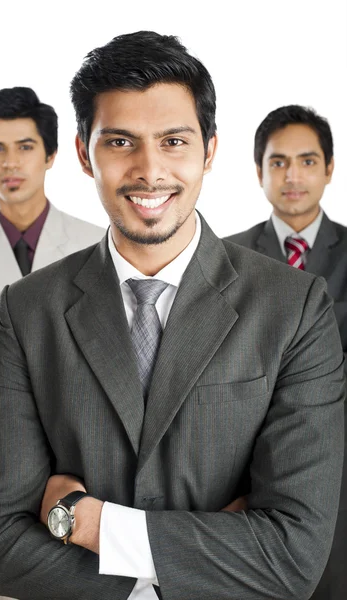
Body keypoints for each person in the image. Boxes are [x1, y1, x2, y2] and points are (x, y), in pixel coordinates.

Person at [0, 33, 344, 600]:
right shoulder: (28, 310)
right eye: (120, 141)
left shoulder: (295, 308)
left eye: (173, 141)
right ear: (83, 154)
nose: (149, 170)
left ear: (209, 151)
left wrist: (86, 523)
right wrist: (196, 559)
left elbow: (293, 557)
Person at [0, 86, 104, 600]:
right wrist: (54, 363)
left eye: (25, 146)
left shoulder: (93, 242)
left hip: (82, 454)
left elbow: (110, 362)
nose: (9, 163)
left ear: (52, 154)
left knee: (82, 579)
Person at [225, 105, 347, 600]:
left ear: (329, 168)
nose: (292, 175)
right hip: (239, 463)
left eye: (307, 161)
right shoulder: (225, 259)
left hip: (336, 462)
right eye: (278, 162)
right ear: (258, 172)